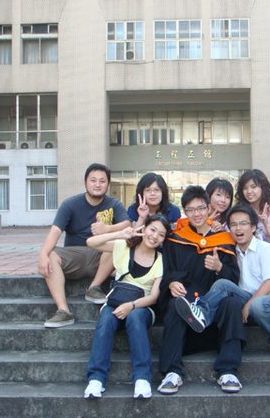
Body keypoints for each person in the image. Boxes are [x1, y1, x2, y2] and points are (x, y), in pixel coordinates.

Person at [175, 203, 270, 360]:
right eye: (233, 224)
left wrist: (249, 305)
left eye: (243, 223)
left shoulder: (265, 249)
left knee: (259, 304)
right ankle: (202, 313)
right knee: (222, 284)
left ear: (253, 227)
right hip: (249, 300)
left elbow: (269, 284)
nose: (238, 228)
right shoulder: (234, 252)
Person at [157, 185, 246, 395]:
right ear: (184, 212)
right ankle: (172, 372)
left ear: (208, 209)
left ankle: (228, 370)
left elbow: (233, 280)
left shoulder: (223, 239)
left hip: (214, 309)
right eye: (190, 210)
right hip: (186, 305)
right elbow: (167, 271)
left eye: (200, 208)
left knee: (232, 303)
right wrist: (171, 283)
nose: (196, 214)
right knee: (175, 304)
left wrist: (220, 267)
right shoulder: (176, 239)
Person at [84, 215, 171, 400]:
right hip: (116, 302)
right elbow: (91, 242)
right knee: (106, 319)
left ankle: (142, 378)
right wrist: (120, 234)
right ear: (144, 228)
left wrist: (131, 306)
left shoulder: (161, 260)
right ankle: (96, 378)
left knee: (135, 317)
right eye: (152, 229)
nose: (155, 236)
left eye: (161, 234)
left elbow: (154, 297)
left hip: (142, 307)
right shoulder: (124, 246)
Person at [38, 163, 131, 328]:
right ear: (85, 183)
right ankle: (63, 311)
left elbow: (127, 224)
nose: (97, 184)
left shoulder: (114, 204)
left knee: (118, 245)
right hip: (74, 256)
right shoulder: (70, 204)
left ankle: (94, 287)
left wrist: (107, 229)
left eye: (102, 181)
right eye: (93, 180)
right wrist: (43, 255)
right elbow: (55, 232)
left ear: (108, 184)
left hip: (100, 258)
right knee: (51, 255)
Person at [85, 173, 181, 302]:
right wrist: (142, 217)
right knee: (115, 248)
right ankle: (94, 287)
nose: (152, 194)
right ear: (141, 193)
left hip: (162, 253)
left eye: (157, 190)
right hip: (139, 249)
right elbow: (133, 236)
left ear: (163, 192)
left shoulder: (173, 210)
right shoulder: (133, 209)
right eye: (148, 190)